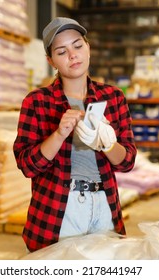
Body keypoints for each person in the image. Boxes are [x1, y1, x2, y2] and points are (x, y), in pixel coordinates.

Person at [13, 17, 137, 253]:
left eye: (78, 46)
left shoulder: (113, 97)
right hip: (60, 208)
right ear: (51, 61)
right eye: (62, 51)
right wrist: (59, 134)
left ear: (88, 48)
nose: (73, 55)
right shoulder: (37, 102)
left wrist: (107, 143)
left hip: (104, 205)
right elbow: (27, 165)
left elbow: (127, 162)